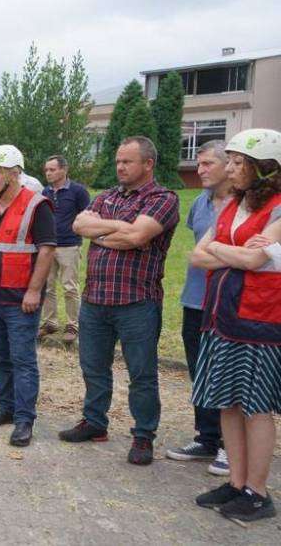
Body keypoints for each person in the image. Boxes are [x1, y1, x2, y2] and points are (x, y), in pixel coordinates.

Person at [60, 136, 179, 466]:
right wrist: (119, 229)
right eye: (118, 161)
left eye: (127, 161)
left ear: (148, 164)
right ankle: (94, 422)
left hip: (137, 301)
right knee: (93, 367)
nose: (120, 167)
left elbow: (138, 235)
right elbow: (79, 224)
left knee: (142, 373)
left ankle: (143, 435)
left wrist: (102, 232)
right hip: (96, 299)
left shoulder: (162, 198)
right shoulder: (107, 196)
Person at [189, 128, 281, 523]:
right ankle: (236, 482)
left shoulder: (277, 208)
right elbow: (197, 256)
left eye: (239, 162)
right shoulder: (233, 205)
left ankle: (257, 493)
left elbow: (255, 261)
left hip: (258, 322)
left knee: (256, 407)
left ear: (264, 167)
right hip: (222, 317)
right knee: (227, 401)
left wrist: (220, 249)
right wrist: (233, 251)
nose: (230, 169)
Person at [0, 145, 56, 447]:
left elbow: (47, 250)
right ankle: (6, 406)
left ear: (15, 173)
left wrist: (34, 290)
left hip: (20, 300)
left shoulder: (36, 205)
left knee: (22, 359)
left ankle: (24, 419)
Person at [167, 140, 232, 475]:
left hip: (230, 302)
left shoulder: (245, 205)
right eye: (199, 163)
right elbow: (197, 252)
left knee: (227, 372)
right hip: (195, 300)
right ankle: (206, 437)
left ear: (228, 166)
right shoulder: (199, 203)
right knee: (200, 370)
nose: (200, 170)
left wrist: (215, 256)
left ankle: (230, 446)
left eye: (208, 164)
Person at [39, 155, 91, 342]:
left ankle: (72, 325)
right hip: (48, 245)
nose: (48, 173)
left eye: (52, 169)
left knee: (70, 287)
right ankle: (50, 322)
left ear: (64, 170)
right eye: (46, 170)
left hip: (69, 245)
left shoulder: (78, 191)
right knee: (47, 286)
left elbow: (87, 216)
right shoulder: (45, 192)